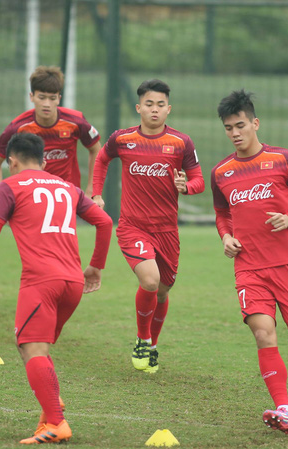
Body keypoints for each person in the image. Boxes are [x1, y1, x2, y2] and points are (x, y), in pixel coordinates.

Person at [0, 132, 112, 444]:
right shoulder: (68, 187)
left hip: (40, 281)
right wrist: (95, 267)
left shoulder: (9, 186)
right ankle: (51, 407)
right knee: (33, 346)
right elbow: (104, 222)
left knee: (32, 347)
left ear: (12, 161)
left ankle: (56, 423)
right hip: (73, 282)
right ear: (44, 161)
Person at [211, 89, 288, 434]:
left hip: (287, 264)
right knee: (263, 333)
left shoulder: (282, 159)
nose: (235, 132)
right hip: (248, 267)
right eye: (229, 127)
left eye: (241, 125)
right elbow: (221, 213)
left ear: (255, 123)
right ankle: (284, 409)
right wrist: (226, 236)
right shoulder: (222, 172)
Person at [92, 79, 204, 373]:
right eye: (149, 104)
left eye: (161, 105)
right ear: (139, 107)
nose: (155, 110)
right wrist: (97, 193)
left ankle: (152, 344)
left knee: (163, 291)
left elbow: (199, 180)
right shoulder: (123, 139)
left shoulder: (181, 142)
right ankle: (142, 339)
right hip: (133, 227)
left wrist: (187, 186)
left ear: (169, 109)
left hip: (167, 231)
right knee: (150, 281)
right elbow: (102, 160)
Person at [0, 65, 101, 197]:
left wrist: (92, 190)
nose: (47, 104)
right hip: (29, 198)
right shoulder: (18, 127)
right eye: (41, 97)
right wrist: (3, 194)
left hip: (67, 196)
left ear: (59, 98)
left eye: (52, 98)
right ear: (32, 97)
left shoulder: (76, 122)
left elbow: (96, 149)